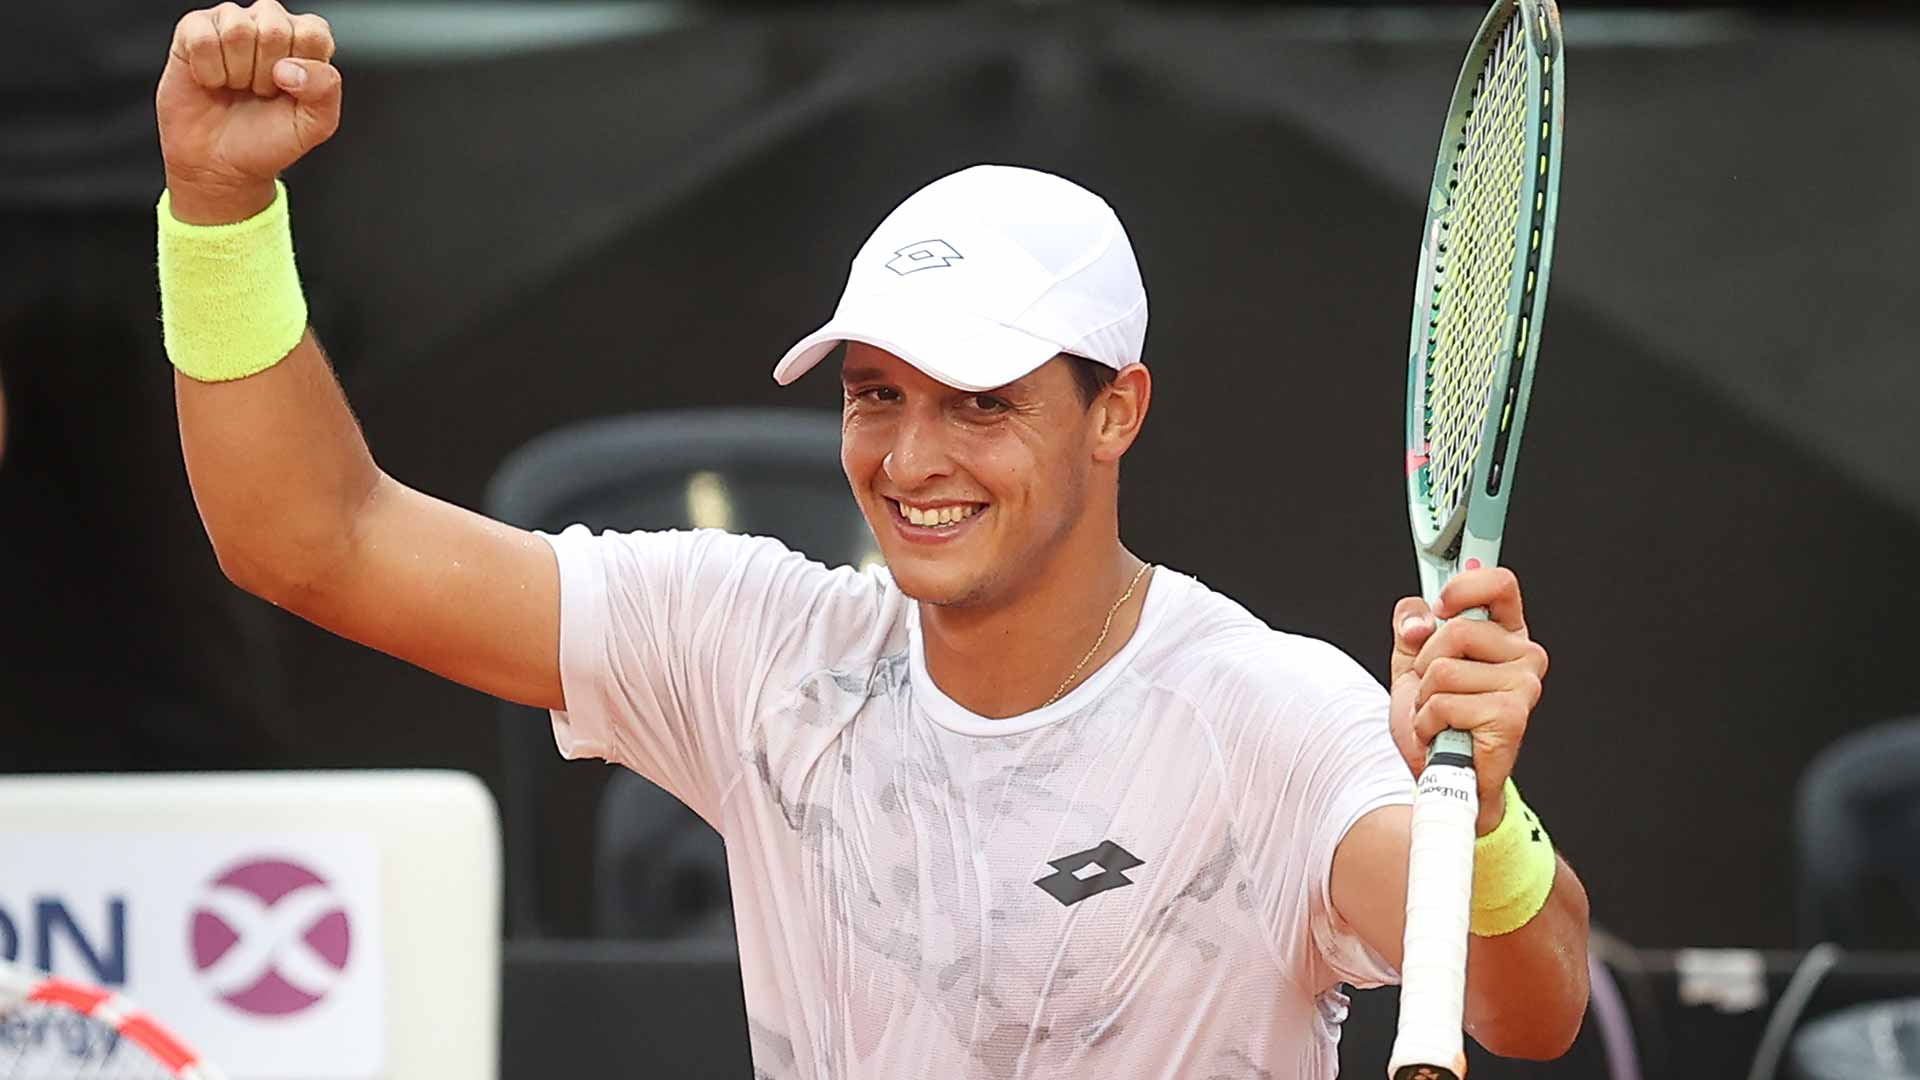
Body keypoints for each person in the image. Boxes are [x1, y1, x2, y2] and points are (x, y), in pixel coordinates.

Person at [153, 2, 1590, 1076]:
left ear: (1116, 412)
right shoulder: (758, 645)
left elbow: (1529, 1007)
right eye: (873, 396)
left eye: (979, 403)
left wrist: (1490, 811)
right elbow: (312, 541)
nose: (912, 458)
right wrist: (221, 215)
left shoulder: (1269, 714)